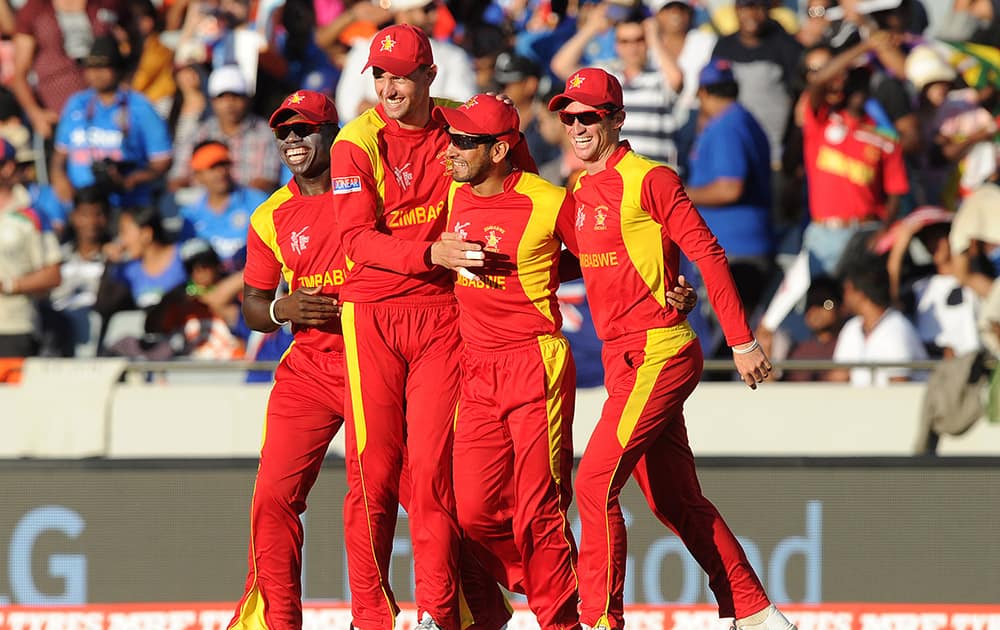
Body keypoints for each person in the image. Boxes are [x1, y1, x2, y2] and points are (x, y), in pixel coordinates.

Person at [546, 67, 794, 630]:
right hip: (621, 357)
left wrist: (741, 340)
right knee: (673, 499)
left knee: (593, 482)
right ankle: (755, 612)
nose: (578, 126)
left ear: (617, 118)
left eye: (589, 116)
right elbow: (575, 262)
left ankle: (599, 620)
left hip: (659, 349)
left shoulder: (650, 178)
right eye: (569, 116)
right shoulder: (580, 190)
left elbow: (707, 252)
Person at [329, 23, 512, 630]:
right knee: (373, 473)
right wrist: (431, 253)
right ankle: (370, 617)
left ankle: (439, 614)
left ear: (430, 75)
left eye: (400, 74)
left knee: (434, 476)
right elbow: (356, 241)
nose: (388, 86)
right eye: (379, 75)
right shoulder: (355, 142)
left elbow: (526, 200)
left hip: (441, 315)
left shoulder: (466, 128)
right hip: (374, 313)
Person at [227, 89, 344, 630]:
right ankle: (275, 622)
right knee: (272, 496)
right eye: (283, 132)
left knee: (423, 496)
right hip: (310, 370)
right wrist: (282, 307)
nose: (293, 140)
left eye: (304, 129)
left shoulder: (370, 194)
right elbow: (252, 305)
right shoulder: (270, 215)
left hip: (379, 364)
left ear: (332, 131)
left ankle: (466, 610)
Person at [685, 59, 774, 316]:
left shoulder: (727, 126)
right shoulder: (743, 119)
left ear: (702, 92)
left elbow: (729, 188)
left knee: (726, 341)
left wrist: (680, 194)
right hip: (745, 246)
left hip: (733, 250)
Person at [51, 35, 173, 210]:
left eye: (103, 67)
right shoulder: (77, 103)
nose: (95, 74)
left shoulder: (140, 106)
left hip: (129, 205)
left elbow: (162, 160)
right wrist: (59, 179)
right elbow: (60, 153)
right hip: (83, 206)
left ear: (118, 69)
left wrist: (133, 179)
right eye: (91, 67)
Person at [0, 138, 61, 357]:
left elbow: (53, 274)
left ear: (7, 168)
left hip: (13, 327)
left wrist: (8, 285)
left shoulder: (32, 215)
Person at [178, 140, 269, 270]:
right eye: (212, 168)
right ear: (198, 176)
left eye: (224, 165)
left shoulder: (257, 202)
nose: (221, 172)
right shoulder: (191, 215)